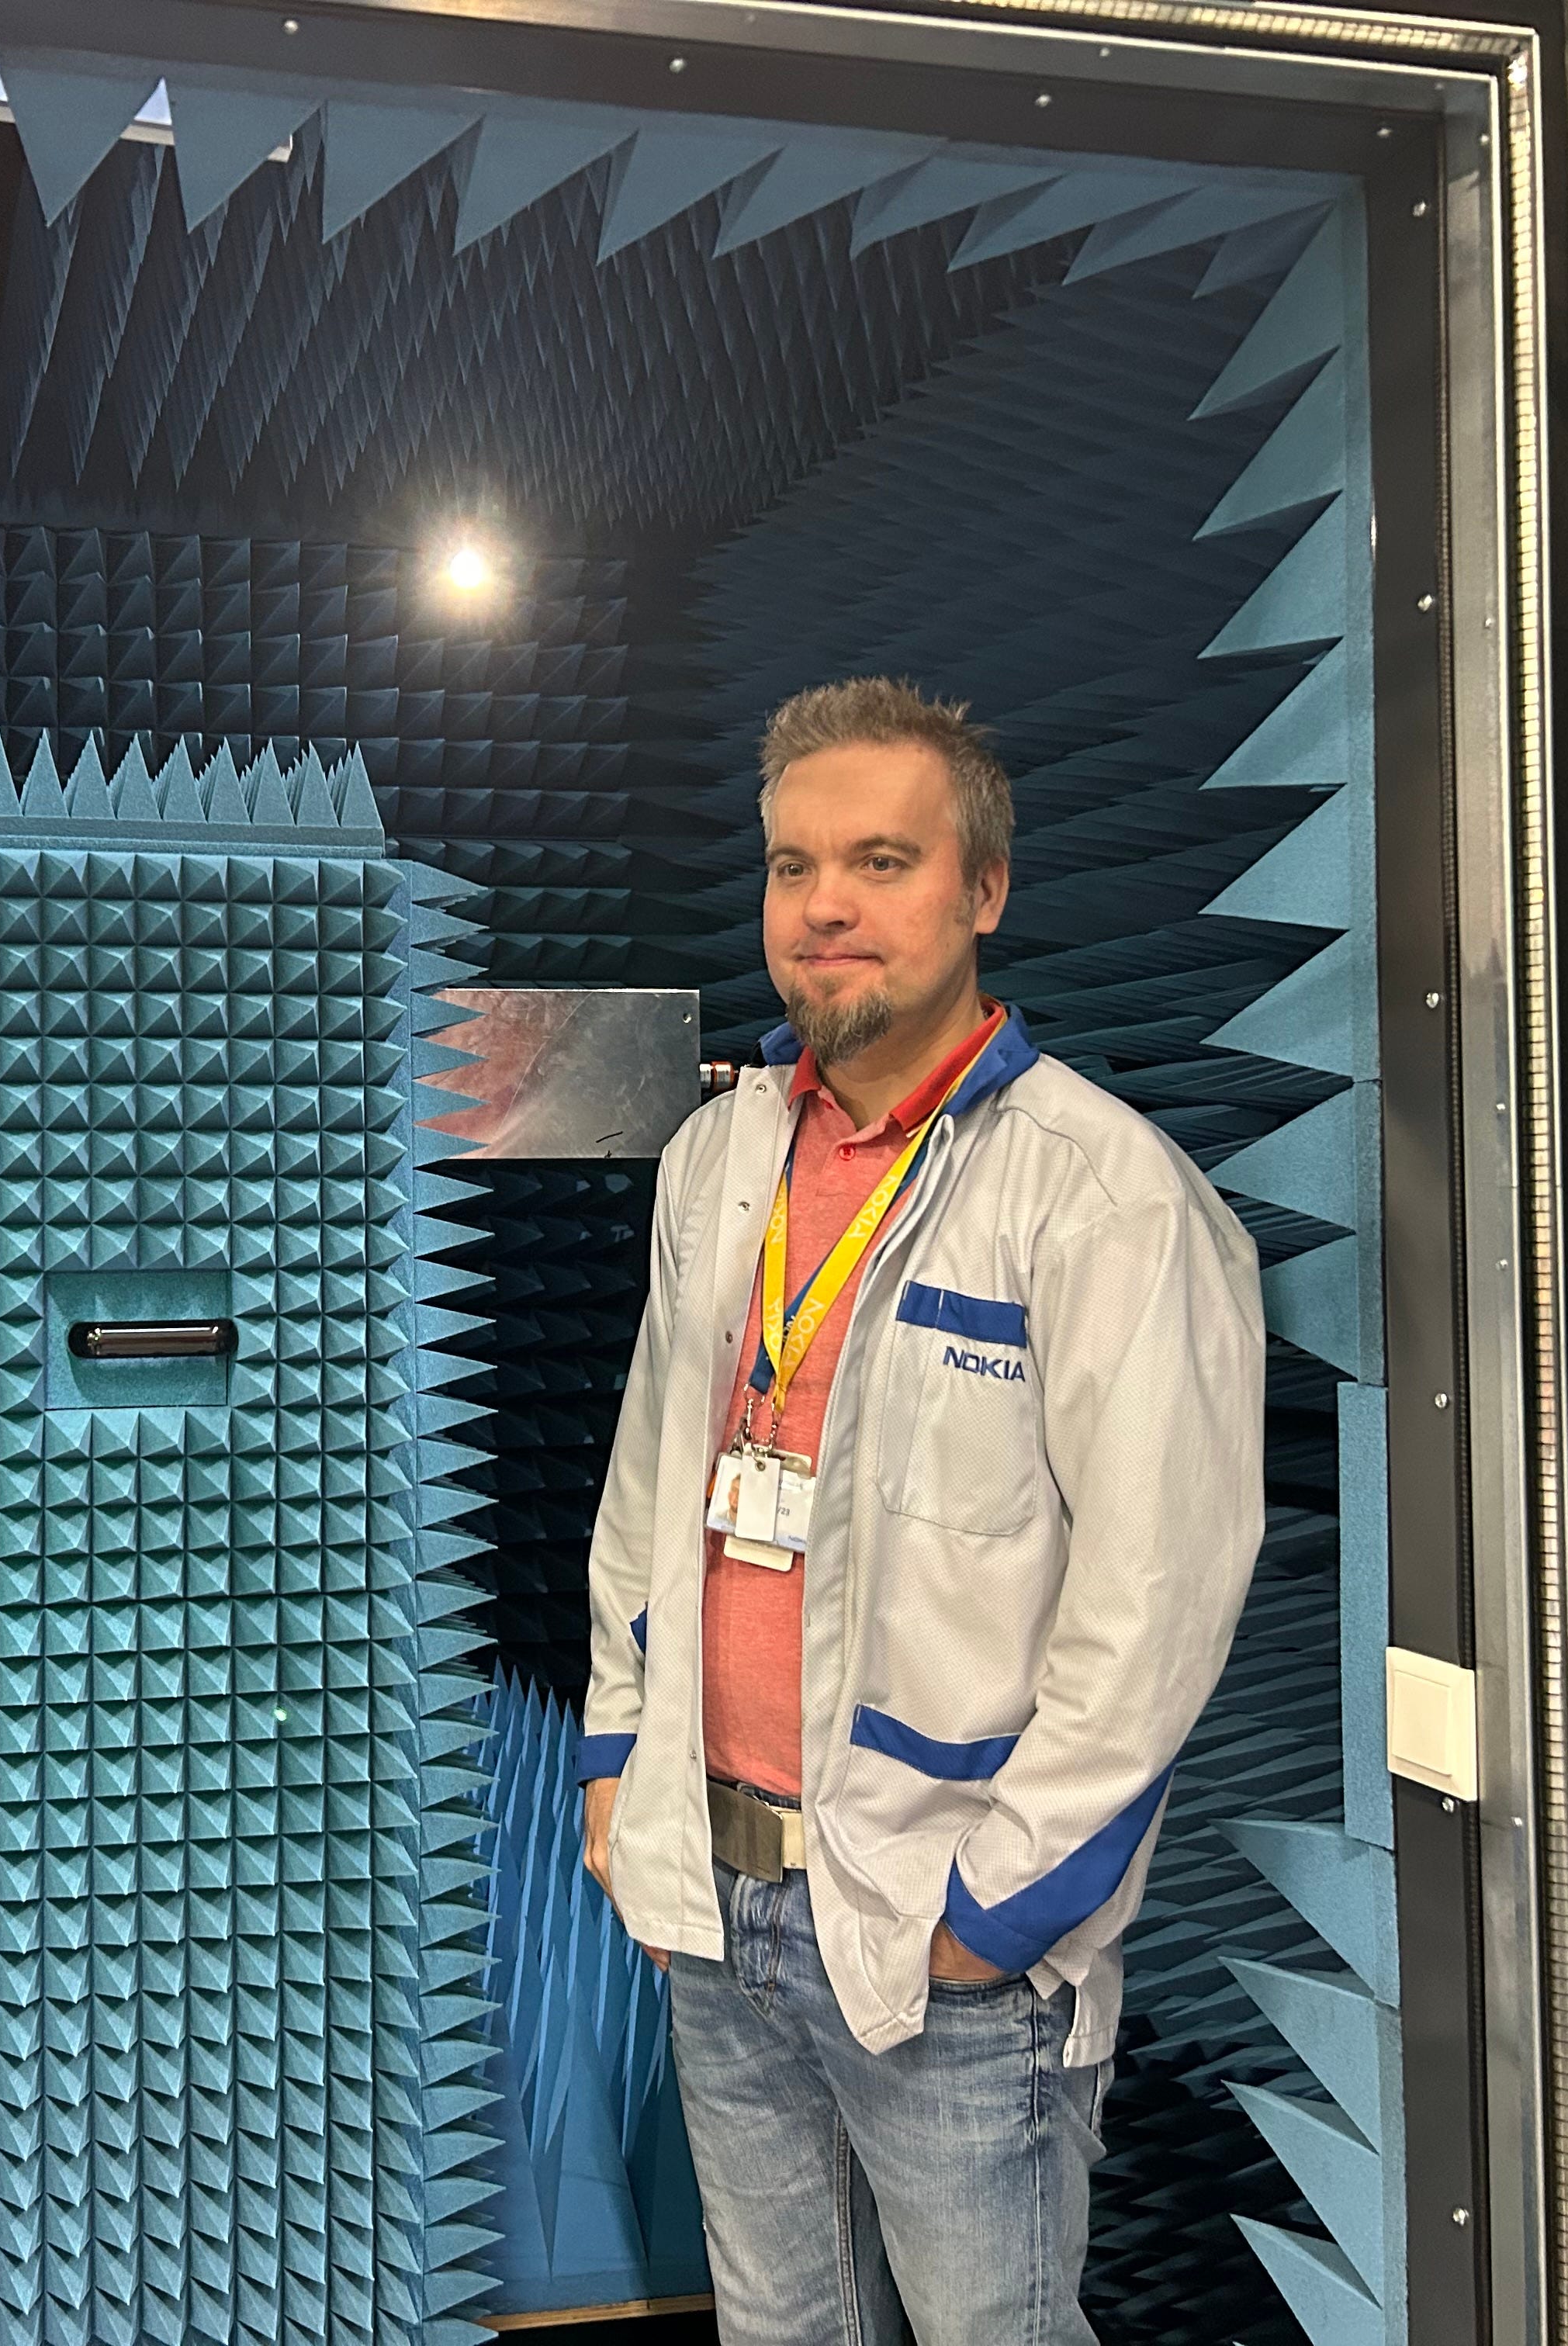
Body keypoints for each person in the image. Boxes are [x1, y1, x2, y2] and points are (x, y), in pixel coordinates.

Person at [578, 677, 1266, 2346]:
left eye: (883, 861)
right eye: (794, 865)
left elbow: (1160, 1593)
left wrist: (999, 1913)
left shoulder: (1098, 1195)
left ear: (983, 891)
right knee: (779, 2331)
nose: (827, 906)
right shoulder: (717, 1160)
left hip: (939, 1931)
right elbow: (652, 1485)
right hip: (717, 1900)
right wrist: (616, 1759)